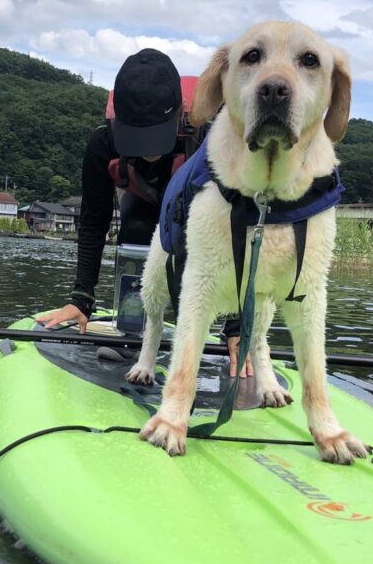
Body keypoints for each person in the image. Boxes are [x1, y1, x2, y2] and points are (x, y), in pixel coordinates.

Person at [37, 49, 251, 376]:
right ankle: (132, 327)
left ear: (181, 112)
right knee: (136, 227)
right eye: (137, 138)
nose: (149, 151)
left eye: (156, 135)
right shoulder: (101, 144)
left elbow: (237, 226)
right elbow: (93, 225)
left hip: (199, 206)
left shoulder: (210, 134)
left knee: (197, 248)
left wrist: (238, 324)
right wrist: (81, 298)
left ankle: (204, 323)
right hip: (145, 206)